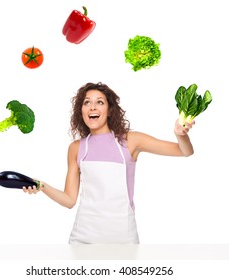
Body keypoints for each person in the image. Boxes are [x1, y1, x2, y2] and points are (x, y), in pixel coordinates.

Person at [23, 82, 194, 244]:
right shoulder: (76, 148)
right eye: (86, 103)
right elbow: (69, 200)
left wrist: (180, 134)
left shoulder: (131, 140)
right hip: (83, 239)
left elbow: (184, 151)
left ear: (110, 110)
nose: (92, 107)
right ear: (81, 111)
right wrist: (41, 186)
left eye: (100, 102)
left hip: (123, 239)